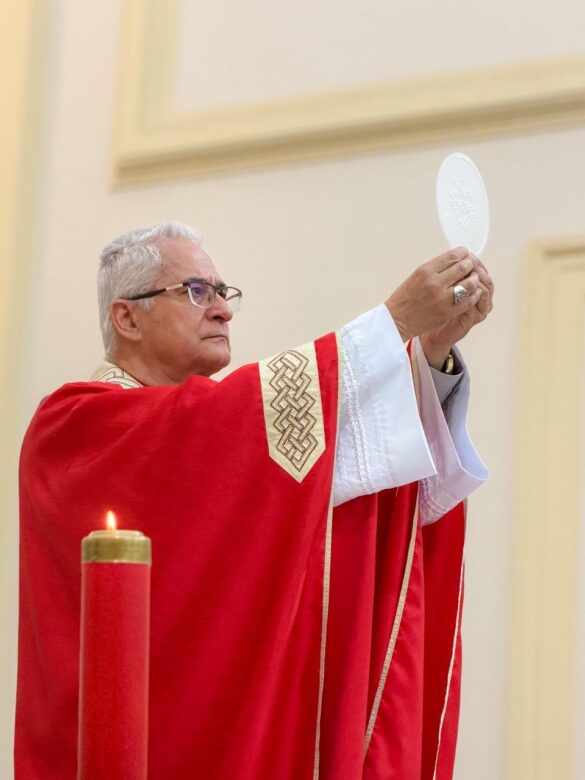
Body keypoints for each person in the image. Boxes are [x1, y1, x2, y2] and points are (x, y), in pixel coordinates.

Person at [15, 222, 492, 779]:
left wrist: (427, 357)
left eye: (223, 292)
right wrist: (394, 323)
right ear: (127, 318)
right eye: (196, 291)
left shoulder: (202, 428)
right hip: (129, 744)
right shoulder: (75, 426)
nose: (222, 310)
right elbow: (206, 432)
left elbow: (337, 477)